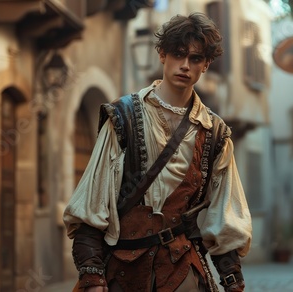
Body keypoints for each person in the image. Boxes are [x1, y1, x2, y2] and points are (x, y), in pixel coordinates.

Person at [63, 12, 252, 292]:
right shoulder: (123, 117)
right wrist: (92, 276)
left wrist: (232, 282)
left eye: (196, 58)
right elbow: (92, 202)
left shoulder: (215, 134)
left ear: (206, 64)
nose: (185, 65)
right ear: (162, 54)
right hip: (122, 271)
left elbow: (226, 217)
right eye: (178, 54)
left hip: (181, 269)